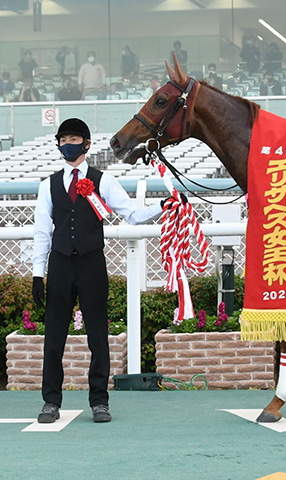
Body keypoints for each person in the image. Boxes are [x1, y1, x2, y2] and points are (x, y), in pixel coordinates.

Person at [32, 118, 171, 424]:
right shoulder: (48, 185)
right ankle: (50, 401)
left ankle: (99, 401)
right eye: (63, 139)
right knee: (54, 337)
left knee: (98, 335)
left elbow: (132, 215)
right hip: (60, 263)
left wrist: (164, 204)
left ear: (86, 144)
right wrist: (37, 274)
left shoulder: (103, 181)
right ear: (58, 144)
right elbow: (42, 232)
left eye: (74, 138)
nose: (68, 143)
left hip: (92, 263)